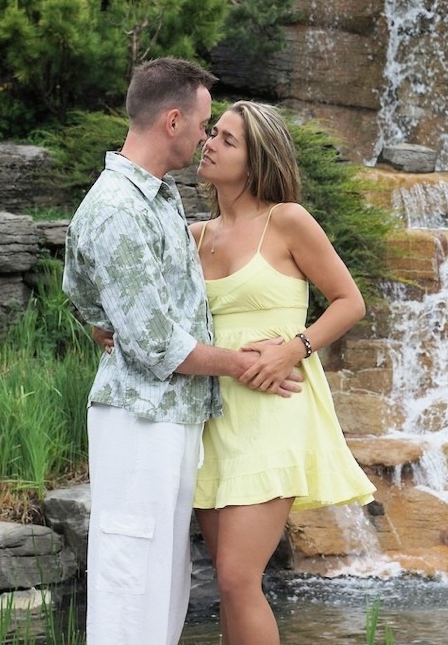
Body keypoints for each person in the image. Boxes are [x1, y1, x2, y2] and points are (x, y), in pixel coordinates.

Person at [62, 59, 300, 645]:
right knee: (129, 581)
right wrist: (244, 362)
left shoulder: (159, 197)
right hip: (139, 419)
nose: (204, 139)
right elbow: (156, 345)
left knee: (161, 588)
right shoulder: (119, 207)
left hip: (174, 416)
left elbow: (76, 285)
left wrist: (102, 321)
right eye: (201, 125)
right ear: (172, 121)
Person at [189, 100, 377, 644]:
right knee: (229, 586)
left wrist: (295, 347)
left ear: (255, 161)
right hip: (213, 417)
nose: (210, 143)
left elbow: (348, 301)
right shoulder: (193, 236)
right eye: (213, 133)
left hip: (274, 408)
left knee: (236, 575)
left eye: (227, 140)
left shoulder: (287, 220)